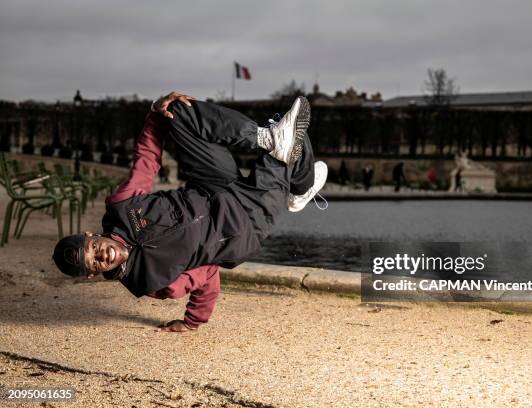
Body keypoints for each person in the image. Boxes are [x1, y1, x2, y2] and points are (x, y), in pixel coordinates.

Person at [52, 92, 328, 333]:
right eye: (95, 263)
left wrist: (154, 115)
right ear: (92, 274)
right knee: (291, 144)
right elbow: (206, 277)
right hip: (243, 220)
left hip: (212, 185)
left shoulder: (122, 206)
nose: (102, 254)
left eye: (95, 247)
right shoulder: (150, 281)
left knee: (177, 111)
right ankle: (300, 186)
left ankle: (265, 139)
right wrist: (193, 321)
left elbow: (146, 162)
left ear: (91, 235)